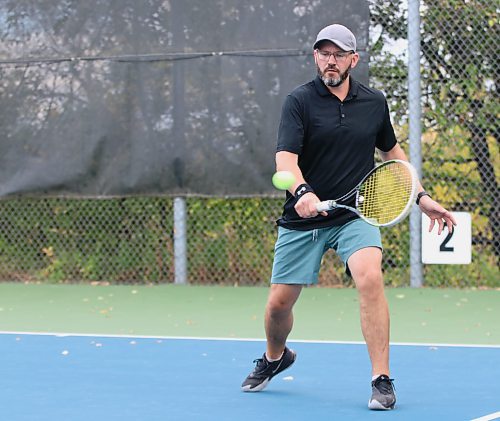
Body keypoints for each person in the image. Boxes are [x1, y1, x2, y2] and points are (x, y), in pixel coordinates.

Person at [240, 23, 457, 410]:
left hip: (355, 213)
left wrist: (420, 196)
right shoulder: (299, 102)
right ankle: (275, 358)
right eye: (324, 53)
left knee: (370, 276)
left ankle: (381, 379)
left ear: (353, 60)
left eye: (338, 54)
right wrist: (303, 192)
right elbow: (285, 160)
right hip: (303, 218)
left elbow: (392, 154)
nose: (331, 61)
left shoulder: (373, 104)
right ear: (315, 58)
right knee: (278, 306)